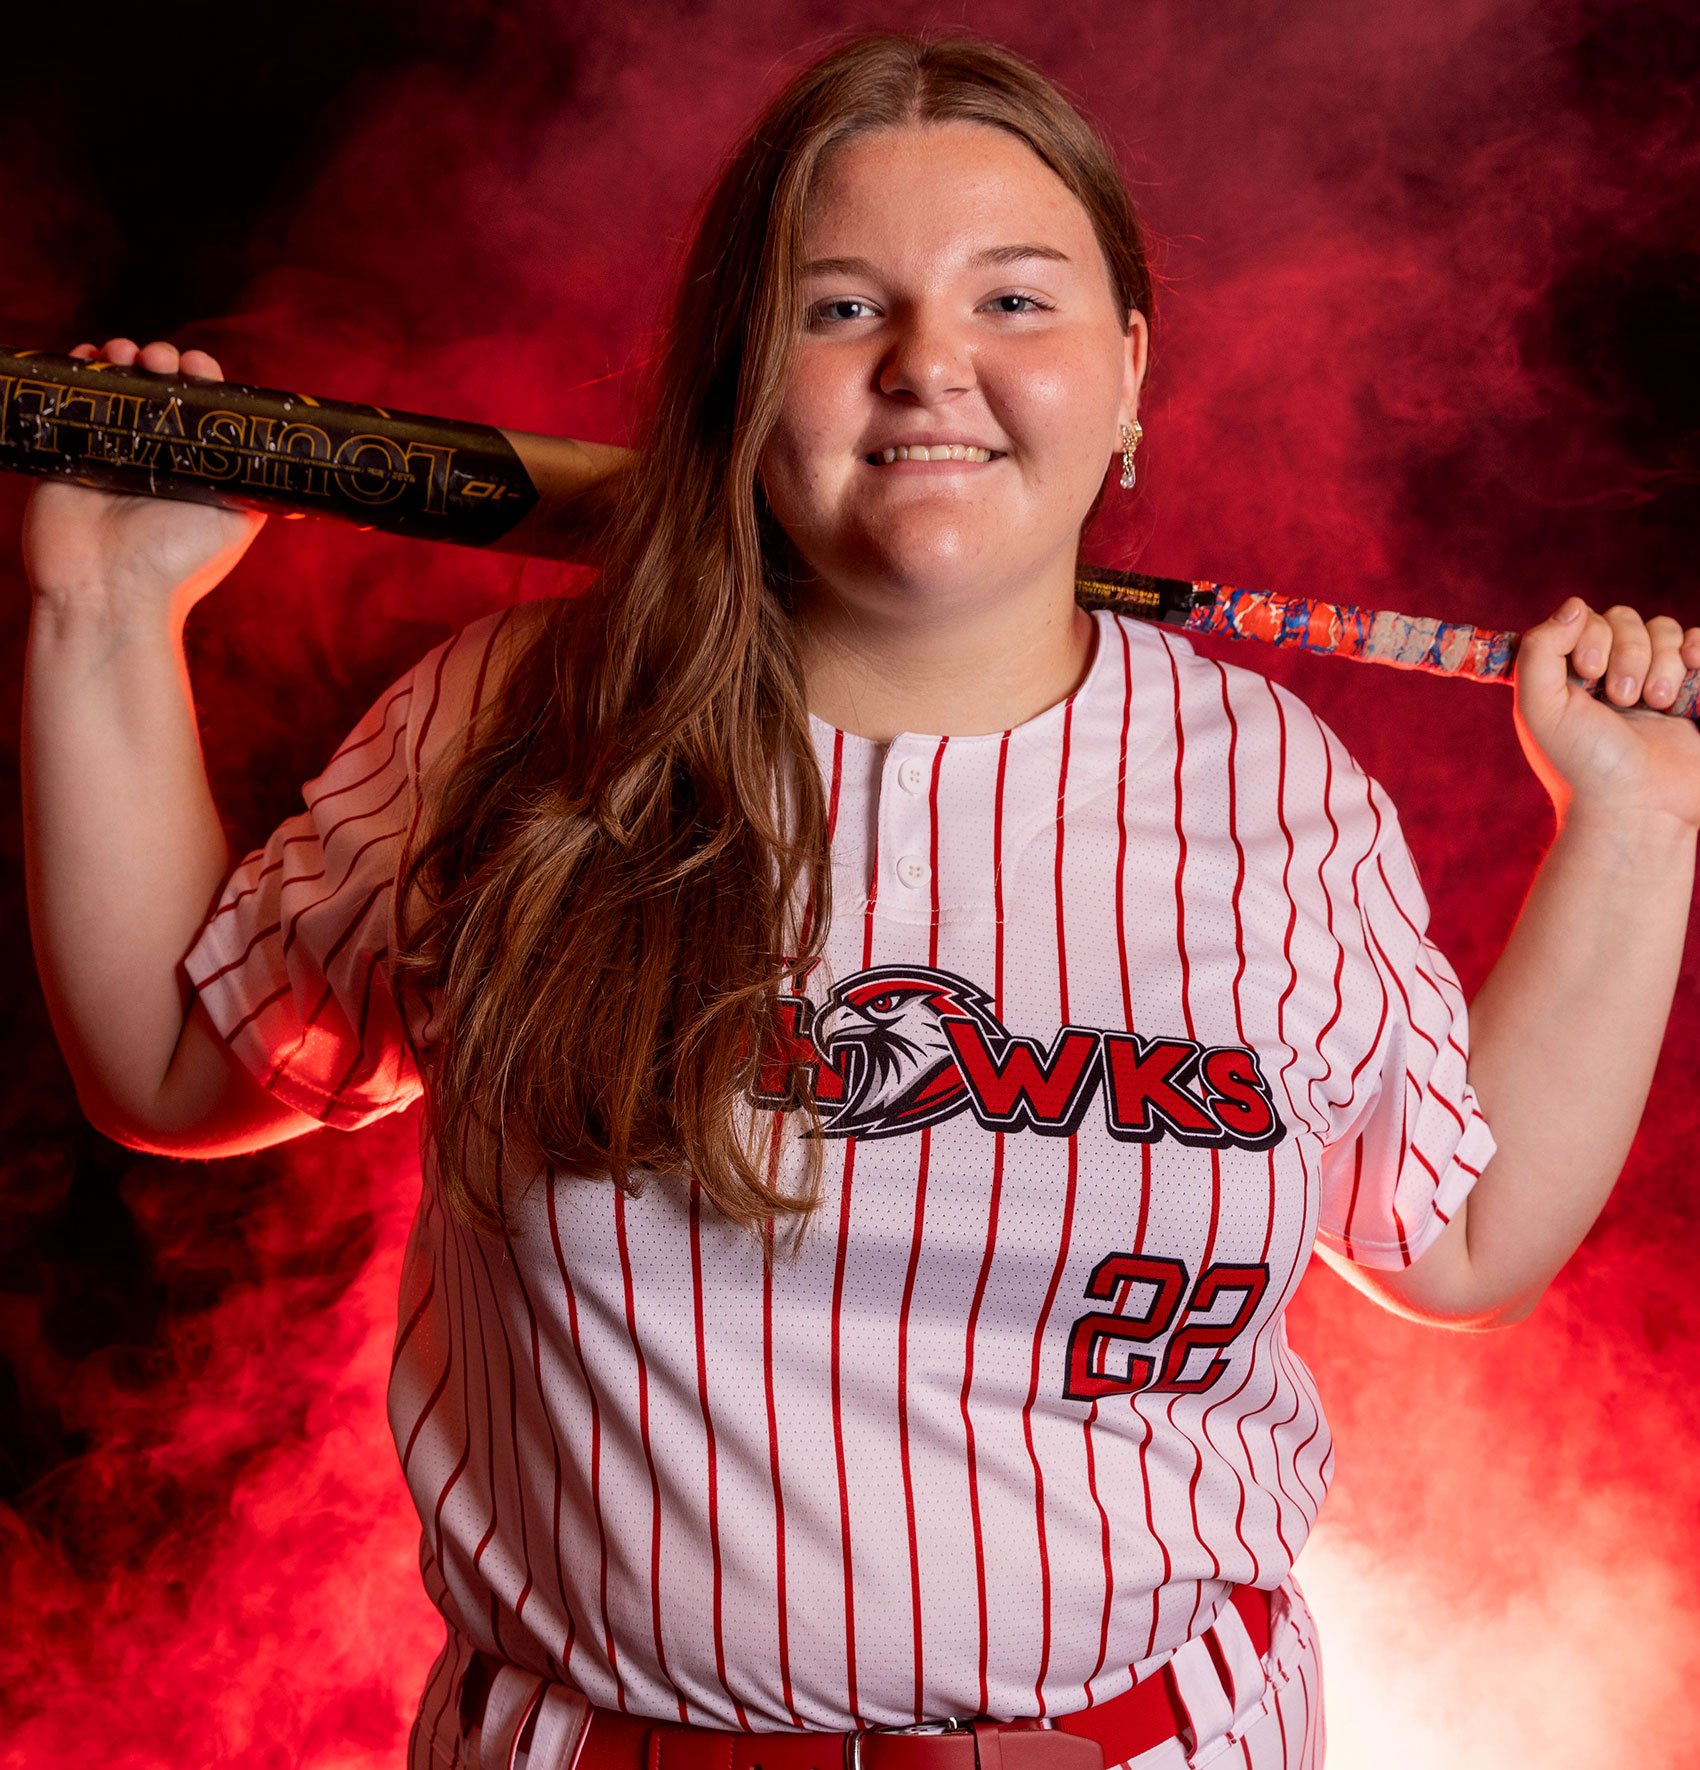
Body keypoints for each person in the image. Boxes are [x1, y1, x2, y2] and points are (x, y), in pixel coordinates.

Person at [19, 29, 1700, 1770]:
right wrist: (104, 611)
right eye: (839, 309)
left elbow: (1461, 1239)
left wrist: (1639, 824)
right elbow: (170, 1061)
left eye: (1014, 301)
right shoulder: (517, 725)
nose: (928, 368)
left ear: (1128, 368)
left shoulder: (1274, 786)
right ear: (742, 370)